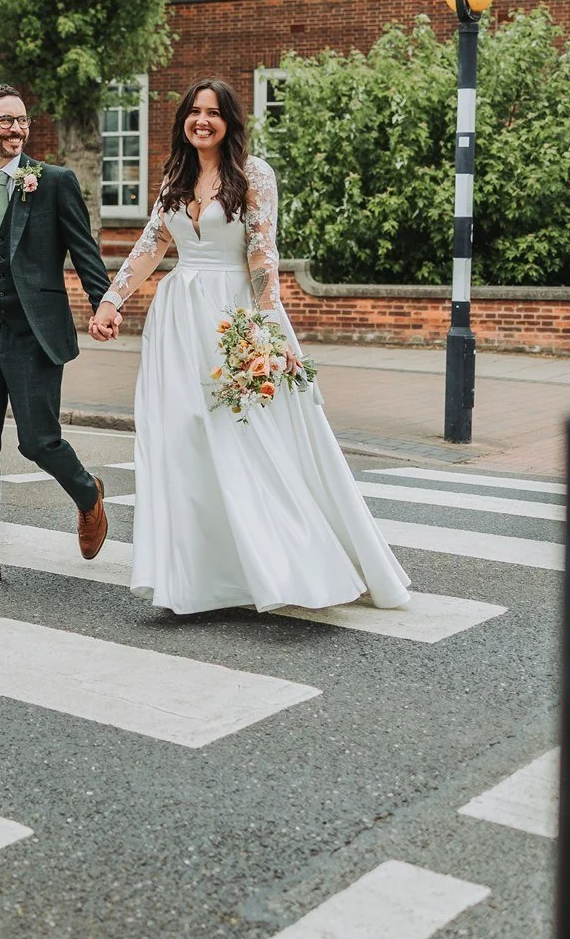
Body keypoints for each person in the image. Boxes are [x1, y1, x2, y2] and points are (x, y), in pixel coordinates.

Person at [88, 79, 410, 615]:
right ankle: (197, 577)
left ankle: (285, 566)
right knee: (183, 438)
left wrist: (268, 330)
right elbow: (152, 244)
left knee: (248, 437)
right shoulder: (176, 173)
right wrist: (111, 301)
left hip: (233, 318)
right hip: (176, 324)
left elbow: (263, 257)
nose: (202, 121)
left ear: (230, 121)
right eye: (194, 112)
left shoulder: (254, 174)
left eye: (213, 113)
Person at [0, 84, 114, 591]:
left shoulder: (53, 181)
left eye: (21, 120)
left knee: (38, 441)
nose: (15, 128)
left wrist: (104, 303)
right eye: (4, 120)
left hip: (34, 333)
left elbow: (83, 251)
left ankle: (88, 495)